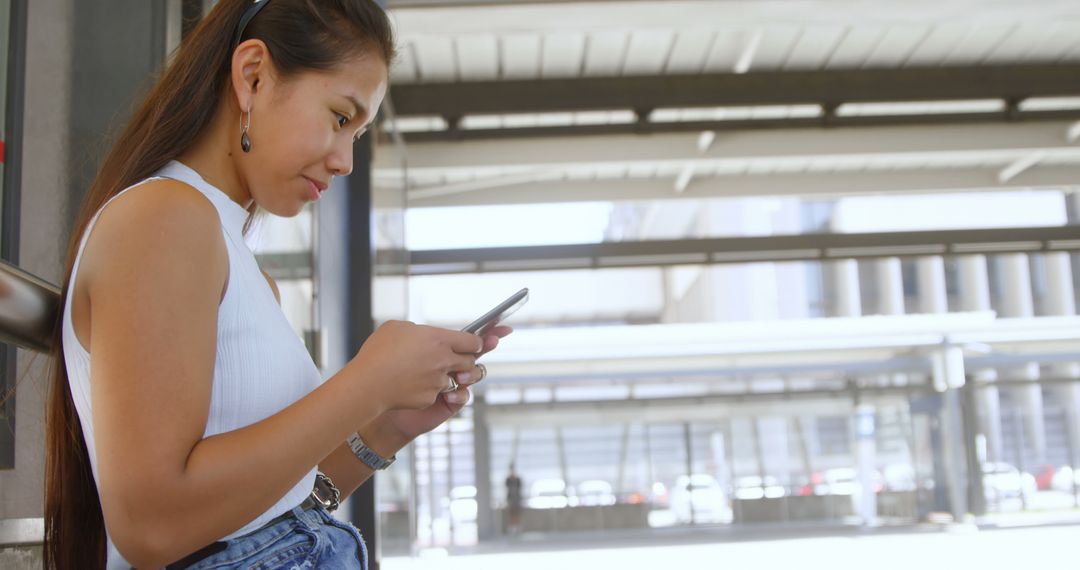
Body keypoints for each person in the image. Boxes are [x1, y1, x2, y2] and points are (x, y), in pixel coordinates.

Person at [43, 1, 511, 568]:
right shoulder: (164, 218)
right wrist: (367, 384)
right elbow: (154, 524)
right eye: (341, 117)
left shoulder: (238, 263)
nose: (345, 163)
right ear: (253, 77)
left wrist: (385, 428)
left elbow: (277, 514)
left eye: (358, 136)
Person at [505, 463, 523, 535]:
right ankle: (512, 527)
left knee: (517, 512)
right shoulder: (508, 479)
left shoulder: (518, 479)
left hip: (517, 498)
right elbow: (507, 488)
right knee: (511, 512)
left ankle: (517, 526)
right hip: (511, 499)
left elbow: (520, 488)